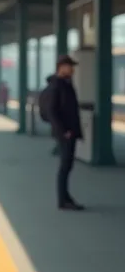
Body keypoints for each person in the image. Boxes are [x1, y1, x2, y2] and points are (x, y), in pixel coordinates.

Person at [47, 55, 84, 211]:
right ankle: (63, 200)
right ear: (61, 67)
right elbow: (51, 111)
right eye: (70, 66)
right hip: (65, 134)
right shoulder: (57, 86)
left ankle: (66, 197)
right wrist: (63, 132)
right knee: (64, 167)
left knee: (67, 166)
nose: (72, 69)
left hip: (69, 132)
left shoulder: (65, 84)